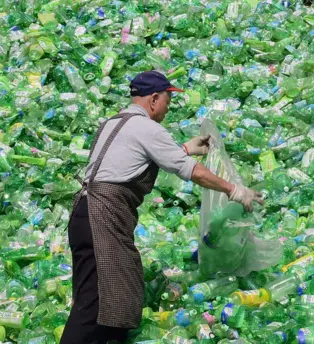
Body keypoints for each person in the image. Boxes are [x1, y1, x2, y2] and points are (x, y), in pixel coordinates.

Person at [60, 71, 263, 344]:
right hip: (102, 219)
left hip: (88, 216)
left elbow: (137, 157)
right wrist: (234, 190)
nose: (168, 107)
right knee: (95, 304)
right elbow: (192, 172)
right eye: (168, 99)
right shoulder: (147, 128)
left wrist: (185, 148)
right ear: (154, 99)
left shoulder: (115, 122)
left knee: (116, 292)